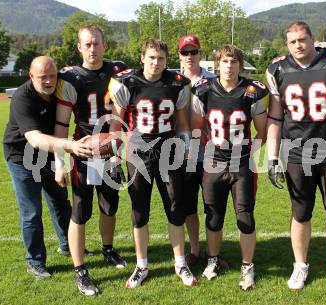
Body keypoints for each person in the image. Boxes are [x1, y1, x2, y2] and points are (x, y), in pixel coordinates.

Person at [266, 21, 326, 290]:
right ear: (287, 44)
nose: (298, 45)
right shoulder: (277, 68)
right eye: (292, 41)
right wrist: (272, 158)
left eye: (302, 39)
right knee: (300, 213)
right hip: (296, 153)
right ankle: (300, 265)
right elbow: (275, 118)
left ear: (313, 38)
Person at [109, 39, 197, 288]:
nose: (156, 63)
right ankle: (141, 265)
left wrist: (187, 147)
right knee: (140, 211)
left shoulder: (177, 83)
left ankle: (180, 262)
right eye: (151, 58)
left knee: (175, 208)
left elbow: (181, 122)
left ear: (166, 60)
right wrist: (115, 155)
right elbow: (116, 123)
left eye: (160, 58)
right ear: (142, 57)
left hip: (169, 151)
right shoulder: (127, 82)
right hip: (139, 152)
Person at [54, 25, 128, 296]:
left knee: (110, 206)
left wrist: (116, 153)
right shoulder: (71, 78)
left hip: (109, 150)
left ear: (105, 45)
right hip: (83, 151)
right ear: (79, 47)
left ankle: (108, 249)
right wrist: (60, 162)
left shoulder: (118, 71)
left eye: (96, 43)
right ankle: (80, 269)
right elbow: (61, 124)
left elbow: (122, 114)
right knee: (81, 210)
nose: (93, 49)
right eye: (87, 44)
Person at [3, 56, 93, 279]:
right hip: (22, 158)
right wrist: (70, 146)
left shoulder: (60, 88)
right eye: (43, 77)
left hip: (50, 155)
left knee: (61, 203)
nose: (49, 81)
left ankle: (66, 245)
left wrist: (59, 163)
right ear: (31, 76)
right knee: (32, 212)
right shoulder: (22, 98)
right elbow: (34, 139)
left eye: (53, 76)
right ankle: (35, 261)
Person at [191, 44, 269, 291]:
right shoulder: (204, 90)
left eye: (234, 61)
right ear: (217, 64)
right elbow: (196, 127)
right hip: (213, 162)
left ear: (240, 65)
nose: (229, 66)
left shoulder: (251, 91)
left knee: (245, 216)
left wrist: (247, 154)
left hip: (241, 164)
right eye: (225, 61)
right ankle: (212, 259)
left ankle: (247, 266)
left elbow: (263, 131)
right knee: (213, 215)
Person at [177, 34, 216, 266]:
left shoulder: (214, 80)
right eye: (185, 52)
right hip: (183, 153)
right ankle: (194, 250)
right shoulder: (171, 80)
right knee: (188, 204)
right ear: (179, 55)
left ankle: (214, 252)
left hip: (211, 151)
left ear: (201, 54)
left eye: (194, 52)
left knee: (213, 204)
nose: (189, 56)